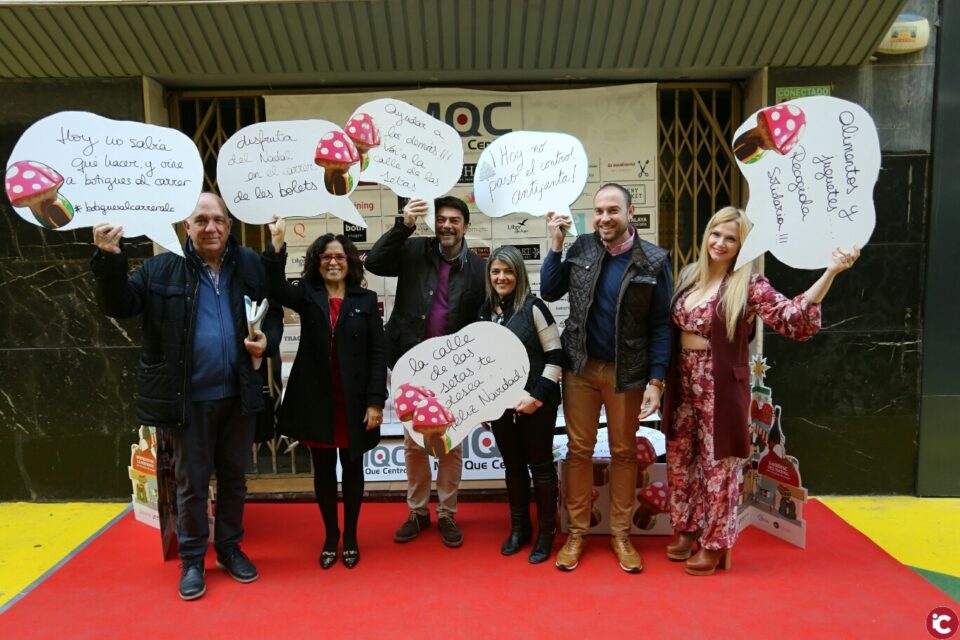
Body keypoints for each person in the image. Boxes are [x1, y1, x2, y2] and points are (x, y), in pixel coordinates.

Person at [90, 193, 282, 600]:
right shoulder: (163, 268)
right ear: (186, 227)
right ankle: (193, 561)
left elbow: (274, 311)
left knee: (234, 479)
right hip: (189, 399)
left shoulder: (248, 263)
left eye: (218, 220)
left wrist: (267, 341)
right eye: (201, 220)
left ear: (228, 227)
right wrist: (109, 258)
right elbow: (119, 304)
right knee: (192, 484)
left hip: (239, 394)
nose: (211, 227)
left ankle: (229, 549)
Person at [660, 206, 858, 576]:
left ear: (742, 245)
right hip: (682, 381)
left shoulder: (749, 285)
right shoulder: (689, 275)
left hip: (719, 385)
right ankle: (686, 527)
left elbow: (793, 319)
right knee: (680, 457)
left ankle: (716, 543)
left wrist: (831, 272)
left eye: (730, 238)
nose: (720, 243)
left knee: (719, 466)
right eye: (715, 234)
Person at [540, 183, 672, 573]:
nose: (604, 218)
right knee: (578, 451)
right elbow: (549, 290)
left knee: (624, 451)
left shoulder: (653, 260)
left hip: (627, 373)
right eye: (598, 211)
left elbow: (662, 325)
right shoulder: (581, 248)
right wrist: (556, 242)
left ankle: (621, 534)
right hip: (580, 368)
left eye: (613, 210)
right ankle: (578, 532)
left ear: (630, 213)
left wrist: (656, 380)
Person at [263, 217, 386, 569]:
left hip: (354, 402)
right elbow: (274, 287)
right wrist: (277, 245)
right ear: (317, 262)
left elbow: (378, 353)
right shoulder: (306, 294)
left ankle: (350, 536)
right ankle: (330, 535)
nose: (333, 262)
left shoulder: (366, 298)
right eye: (326, 257)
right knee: (322, 472)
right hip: (316, 400)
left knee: (352, 469)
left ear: (350, 262)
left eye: (340, 257)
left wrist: (376, 401)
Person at [365, 195, 486, 548]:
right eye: (442, 219)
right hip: (409, 362)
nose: (447, 225)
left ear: (465, 225)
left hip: (452, 372)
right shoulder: (416, 249)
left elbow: (480, 320)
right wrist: (403, 226)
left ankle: (447, 513)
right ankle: (418, 511)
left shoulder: (479, 269)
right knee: (414, 444)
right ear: (435, 223)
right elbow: (374, 261)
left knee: (451, 445)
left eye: (455, 220)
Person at [478, 246, 563, 564]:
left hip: (537, 403)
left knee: (540, 468)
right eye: (496, 271)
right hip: (500, 407)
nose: (501, 277)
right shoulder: (485, 312)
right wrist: (484, 406)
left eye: (508, 271)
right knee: (513, 468)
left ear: (519, 275)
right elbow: (482, 362)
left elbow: (556, 356)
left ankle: (545, 533)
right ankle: (519, 529)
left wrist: (536, 396)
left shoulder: (534, 307)